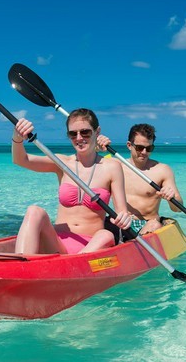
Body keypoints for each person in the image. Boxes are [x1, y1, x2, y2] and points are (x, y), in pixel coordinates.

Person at [11, 108, 132, 255]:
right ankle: (22, 264)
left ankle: (75, 263)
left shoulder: (112, 167)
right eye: (73, 134)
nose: (79, 138)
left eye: (85, 132)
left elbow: (121, 211)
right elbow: (21, 160)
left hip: (91, 246)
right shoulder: (62, 162)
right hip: (57, 243)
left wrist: (123, 218)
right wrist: (17, 137)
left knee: (106, 234)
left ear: (97, 131)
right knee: (34, 211)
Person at [98, 123, 182, 235]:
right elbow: (86, 164)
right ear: (129, 145)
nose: (144, 152)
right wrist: (96, 146)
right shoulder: (115, 165)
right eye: (139, 148)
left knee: (154, 225)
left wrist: (171, 197)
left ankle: (136, 247)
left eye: (149, 148)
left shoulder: (162, 170)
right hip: (120, 221)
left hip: (147, 224)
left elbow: (177, 208)